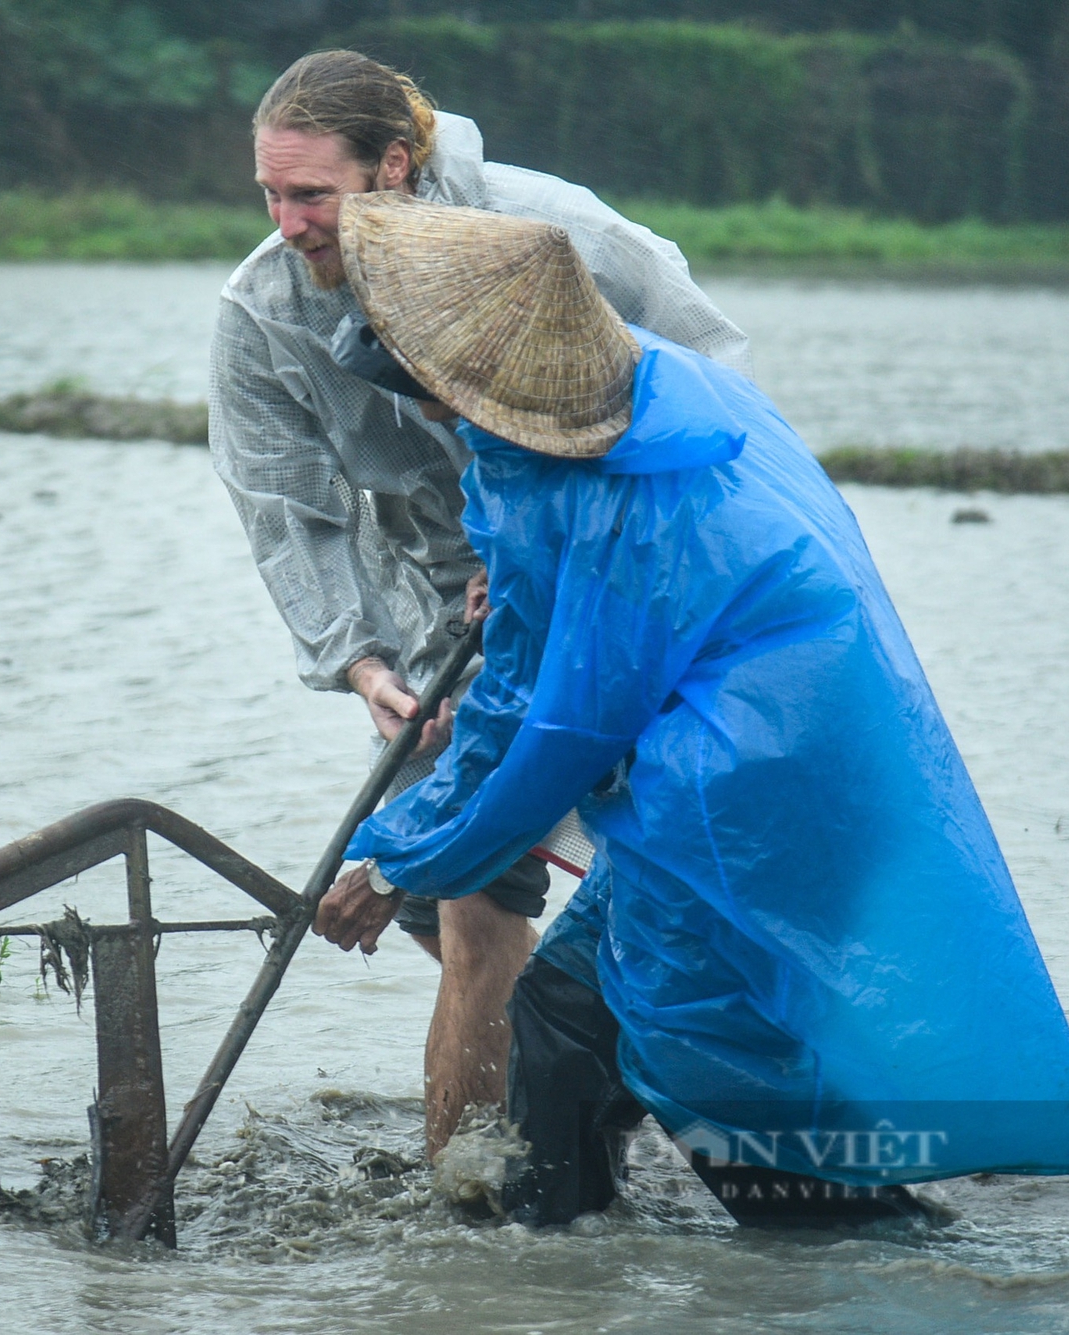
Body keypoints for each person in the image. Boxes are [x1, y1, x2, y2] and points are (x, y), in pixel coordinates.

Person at [332, 190, 1069, 1227]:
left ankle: (897, 1270)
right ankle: (547, 1266)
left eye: (427, 394)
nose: (425, 412)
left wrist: (397, 858)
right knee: (571, 1023)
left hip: (728, 798)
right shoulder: (669, 386)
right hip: (827, 752)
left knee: (727, 1097)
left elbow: (543, 730)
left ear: (467, 388)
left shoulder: (584, 493)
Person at [211, 48, 750, 1160]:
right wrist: (364, 668)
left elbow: (705, 387)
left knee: (490, 890)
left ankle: (477, 1185)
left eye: (311, 194)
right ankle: (521, 1157)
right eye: (268, 193)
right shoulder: (264, 309)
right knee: (438, 898)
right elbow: (285, 511)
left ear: (393, 168)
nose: (287, 221)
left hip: (608, 586)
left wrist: (561, 537)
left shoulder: (554, 237)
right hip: (429, 611)